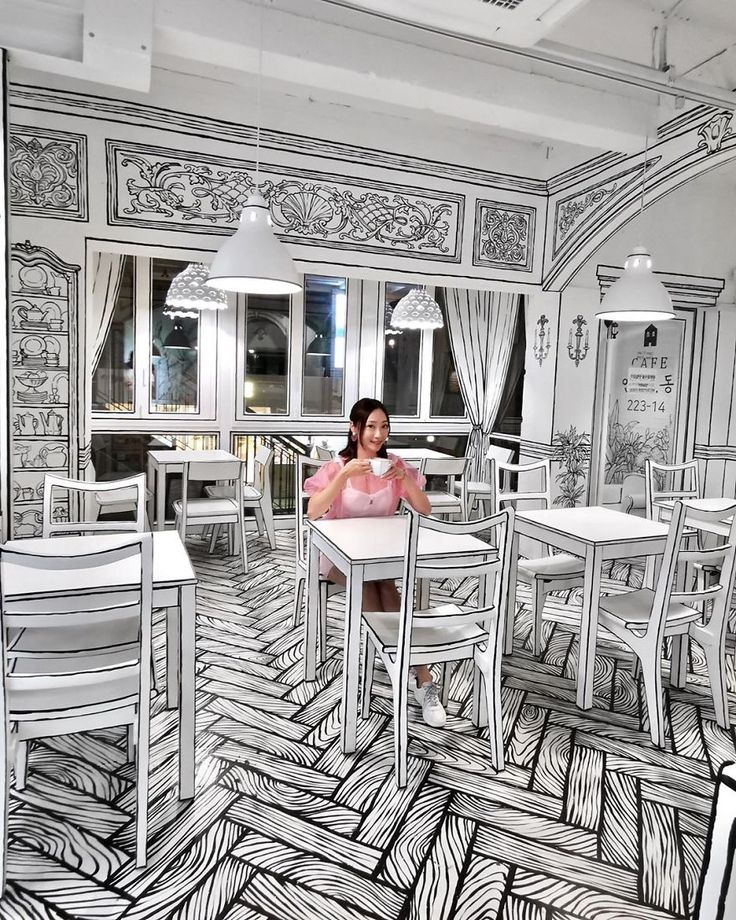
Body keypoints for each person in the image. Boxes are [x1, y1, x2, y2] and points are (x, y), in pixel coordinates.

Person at [304, 397, 446, 727]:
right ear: (354, 430)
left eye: (384, 427)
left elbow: (425, 510)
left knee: (385, 586)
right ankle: (408, 667)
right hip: (338, 556)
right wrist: (343, 477)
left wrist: (405, 479)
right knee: (371, 584)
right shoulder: (337, 466)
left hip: (382, 553)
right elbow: (312, 512)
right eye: (371, 426)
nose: (378, 434)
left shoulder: (395, 464)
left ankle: (415, 674)